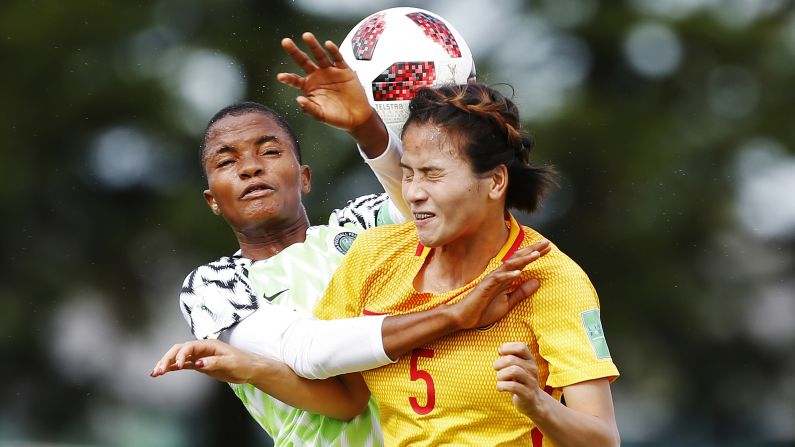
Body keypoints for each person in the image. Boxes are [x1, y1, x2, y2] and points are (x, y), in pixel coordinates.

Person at [151, 34, 550, 446]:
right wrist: (454, 315)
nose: (250, 168)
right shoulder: (214, 285)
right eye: (227, 160)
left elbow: (432, 206)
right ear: (212, 200)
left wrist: (366, 128)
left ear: (304, 177)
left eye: (269, 152)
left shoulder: (358, 228)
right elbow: (308, 351)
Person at [307, 83, 622, 446]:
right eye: (408, 174)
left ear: (495, 181)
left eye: (433, 174)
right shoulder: (373, 256)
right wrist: (250, 367)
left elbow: (604, 439)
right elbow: (342, 394)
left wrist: (538, 404)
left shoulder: (550, 278)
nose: (413, 192)